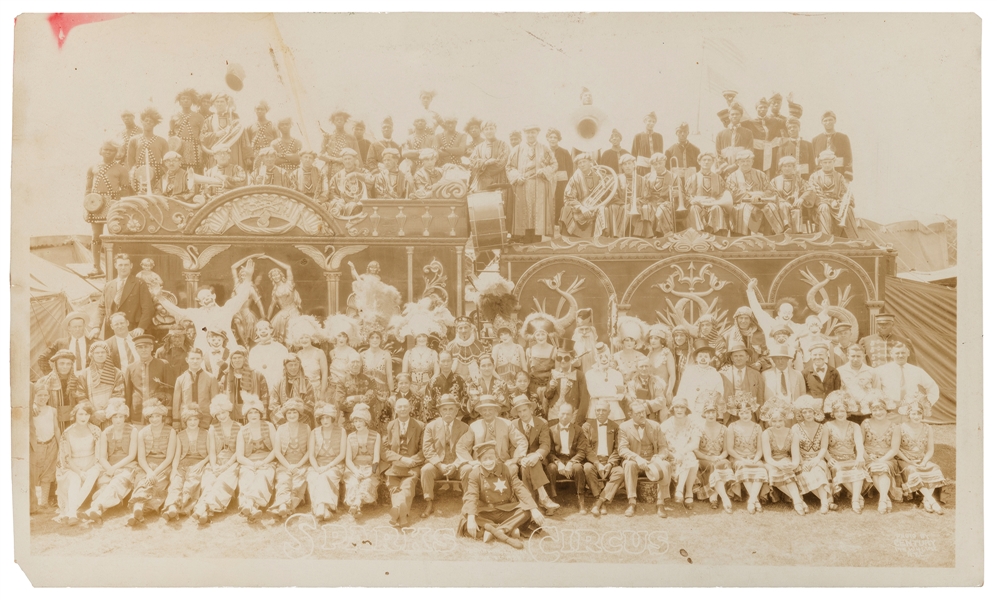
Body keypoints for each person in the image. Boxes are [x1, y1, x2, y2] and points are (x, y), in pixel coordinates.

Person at [457, 440, 544, 550]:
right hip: (485, 512)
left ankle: (495, 531)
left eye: (491, 458)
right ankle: (509, 529)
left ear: (496, 458)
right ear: (479, 461)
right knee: (466, 518)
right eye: (485, 459)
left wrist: (533, 509)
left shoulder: (507, 469)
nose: (488, 462)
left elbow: (520, 488)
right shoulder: (474, 474)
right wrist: (470, 518)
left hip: (506, 510)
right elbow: (471, 496)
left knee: (527, 511)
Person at [157, 274, 254, 354]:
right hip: (204, 353)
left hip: (227, 352)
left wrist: (248, 278)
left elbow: (241, 297)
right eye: (203, 298)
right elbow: (176, 310)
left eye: (208, 296)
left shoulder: (226, 310)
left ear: (214, 296)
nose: (206, 299)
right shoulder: (197, 314)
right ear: (200, 302)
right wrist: (160, 297)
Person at [614, 401, 671, 518]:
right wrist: (637, 458)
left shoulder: (655, 426)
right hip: (636, 462)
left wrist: (659, 457)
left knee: (666, 465)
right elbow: (622, 449)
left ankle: (660, 503)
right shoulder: (624, 427)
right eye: (638, 413)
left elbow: (664, 447)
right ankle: (632, 502)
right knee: (629, 464)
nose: (642, 415)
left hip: (653, 462)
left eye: (643, 411)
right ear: (630, 414)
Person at [83, 399, 137, 521]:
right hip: (108, 466)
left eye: (121, 417)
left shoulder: (132, 430)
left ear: (125, 417)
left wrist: (115, 469)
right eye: (115, 417)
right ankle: (97, 510)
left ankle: (96, 508)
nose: (118, 420)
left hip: (127, 465)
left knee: (116, 483)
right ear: (110, 418)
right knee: (104, 485)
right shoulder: (106, 432)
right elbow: (102, 457)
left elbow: (132, 455)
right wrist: (110, 469)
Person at [191, 394, 241, 524]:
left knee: (222, 481)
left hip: (233, 462)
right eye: (218, 414)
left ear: (228, 411)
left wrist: (226, 466)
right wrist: (214, 467)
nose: (222, 416)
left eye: (223, 413)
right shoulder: (213, 429)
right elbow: (212, 451)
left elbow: (239, 452)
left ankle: (205, 509)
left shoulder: (239, 427)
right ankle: (205, 509)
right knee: (209, 480)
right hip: (216, 462)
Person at [84, 141, 132, 275]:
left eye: (111, 150)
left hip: (114, 204)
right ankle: (96, 267)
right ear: (100, 150)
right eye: (105, 149)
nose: (107, 152)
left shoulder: (121, 169)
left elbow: (126, 191)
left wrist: (120, 206)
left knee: (114, 236)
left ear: (116, 153)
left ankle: (115, 269)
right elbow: (87, 189)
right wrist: (87, 206)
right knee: (95, 236)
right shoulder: (92, 167)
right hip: (95, 205)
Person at [128, 399, 177, 526]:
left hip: (164, 465)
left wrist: (155, 472)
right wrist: (149, 471)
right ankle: (138, 506)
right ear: (147, 417)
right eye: (151, 416)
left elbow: (169, 457)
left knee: (158, 484)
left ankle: (140, 510)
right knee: (143, 482)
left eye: (158, 416)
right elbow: (141, 458)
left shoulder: (171, 431)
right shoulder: (142, 432)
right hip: (146, 465)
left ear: (163, 417)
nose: (154, 419)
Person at [455, 395, 528, 480]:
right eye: (484, 410)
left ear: (496, 411)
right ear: (480, 412)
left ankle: (510, 493)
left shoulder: (506, 424)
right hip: (480, 463)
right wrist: (471, 462)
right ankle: (471, 493)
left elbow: (521, 441)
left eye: (490, 409)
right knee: (466, 469)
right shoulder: (474, 426)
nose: (487, 412)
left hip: (502, 462)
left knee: (513, 468)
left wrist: (514, 459)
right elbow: (461, 446)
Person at [420, 394, 470, 517]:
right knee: (426, 470)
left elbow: (466, 449)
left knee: (469, 470)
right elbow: (427, 449)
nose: (448, 412)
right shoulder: (431, 426)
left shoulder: (464, 427)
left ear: (457, 410)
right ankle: (429, 502)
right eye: (444, 409)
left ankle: (469, 503)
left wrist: (456, 464)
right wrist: (439, 465)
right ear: (440, 411)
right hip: (438, 466)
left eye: (451, 409)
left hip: (457, 465)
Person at [53, 402, 102, 525]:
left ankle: (71, 512)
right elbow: (66, 459)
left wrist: (88, 469)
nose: (83, 417)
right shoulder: (67, 433)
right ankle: (72, 513)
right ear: (75, 415)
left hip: (91, 464)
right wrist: (79, 472)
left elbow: (99, 454)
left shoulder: (96, 431)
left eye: (86, 414)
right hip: (72, 466)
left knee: (92, 474)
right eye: (80, 414)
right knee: (75, 479)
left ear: (90, 416)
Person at [506, 125, 557, 242]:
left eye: (533, 132)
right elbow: (509, 167)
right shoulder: (517, 149)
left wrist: (544, 170)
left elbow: (554, 165)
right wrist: (517, 176)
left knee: (537, 218)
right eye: (528, 133)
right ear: (524, 134)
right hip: (522, 186)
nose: (530, 135)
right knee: (523, 217)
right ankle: (523, 245)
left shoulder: (545, 149)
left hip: (539, 187)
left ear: (537, 133)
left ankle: (536, 245)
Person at [510, 394, 558, 514]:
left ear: (531, 409)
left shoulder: (541, 423)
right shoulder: (514, 424)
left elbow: (545, 444)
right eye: (519, 411)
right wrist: (520, 459)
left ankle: (532, 503)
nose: (522, 414)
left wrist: (536, 455)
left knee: (532, 463)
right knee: (526, 465)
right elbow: (511, 446)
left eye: (525, 410)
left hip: (539, 459)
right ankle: (543, 499)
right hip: (522, 459)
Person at [380, 397, 425, 527]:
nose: (403, 409)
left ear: (410, 408)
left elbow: (424, 450)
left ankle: (397, 511)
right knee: (393, 485)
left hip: (412, 464)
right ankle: (403, 516)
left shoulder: (420, 426)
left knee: (407, 485)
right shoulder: (389, 426)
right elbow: (384, 450)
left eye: (405, 406)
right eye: (400, 407)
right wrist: (400, 459)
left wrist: (411, 460)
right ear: (395, 409)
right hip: (395, 464)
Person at [896, 399, 947, 514]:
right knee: (914, 471)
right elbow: (896, 450)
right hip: (905, 461)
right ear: (908, 414)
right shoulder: (900, 427)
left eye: (919, 413)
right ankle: (932, 501)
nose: (916, 416)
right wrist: (909, 461)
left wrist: (924, 461)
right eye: (913, 413)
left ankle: (926, 499)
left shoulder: (927, 428)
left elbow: (930, 450)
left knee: (935, 468)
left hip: (921, 459)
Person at [162, 404, 210, 521]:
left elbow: (211, 454)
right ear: (185, 421)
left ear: (199, 420)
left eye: (195, 419)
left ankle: (181, 507)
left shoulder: (206, 433)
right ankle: (172, 506)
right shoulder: (180, 435)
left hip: (199, 463)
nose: (193, 422)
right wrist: (174, 470)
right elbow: (177, 455)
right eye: (190, 420)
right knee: (176, 482)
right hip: (183, 464)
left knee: (191, 483)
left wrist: (202, 463)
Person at [91, 253, 154, 340]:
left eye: (126, 265)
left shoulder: (139, 283)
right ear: (115, 265)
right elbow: (101, 308)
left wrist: (141, 327)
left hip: (133, 330)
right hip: (112, 331)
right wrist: (96, 326)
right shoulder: (108, 285)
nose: (123, 267)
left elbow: (148, 308)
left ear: (131, 266)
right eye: (120, 265)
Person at [235, 395, 277, 522]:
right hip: (249, 462)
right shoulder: (242, 431)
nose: (253, 415)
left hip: (267, 461)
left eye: (256, 412)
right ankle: (252, 507)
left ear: (260, 414)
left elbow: (276, 449)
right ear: (246, 415)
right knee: (246, 477)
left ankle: (249, 505)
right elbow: (240, 456)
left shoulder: (269, 426)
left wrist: (263, 462)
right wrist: (252, 465)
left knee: (262, 476)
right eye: (250, 412)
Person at [825, 395, 871, 513]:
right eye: (837, 411)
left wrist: (860, 456)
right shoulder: (827, 426)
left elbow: (859, 444)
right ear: (833, 413)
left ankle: (855, 499)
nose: (840, 414)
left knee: (858, 468)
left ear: (847, 412)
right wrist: (829, 458)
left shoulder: (854, 426)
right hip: (835, 459)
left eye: (842, 411)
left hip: (851, 457)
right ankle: (858, 497)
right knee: (838, 468)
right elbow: (823, 447)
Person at [761, 405, 808, 515]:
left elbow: (796, 458)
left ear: (785, 420)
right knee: (774, 471)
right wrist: (777, 464)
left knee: (787, 469)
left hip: (786, 460)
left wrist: (792, 465)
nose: (777, 424)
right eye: (774, 421)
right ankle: (798, 501)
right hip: (771, 462)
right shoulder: (766, 433)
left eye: (780, 421)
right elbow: (767, 457)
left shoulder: (792, 433)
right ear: (770, 421)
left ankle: (797, 501)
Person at [791, 394, 833, 514]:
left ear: (815, 412)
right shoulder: (795, 427)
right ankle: (828, 500)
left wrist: (816, 460)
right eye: (805, 412)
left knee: (818, 470)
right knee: (804, 472)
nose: (808, 415)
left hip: (818, 458)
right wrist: (802, 462)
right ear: (801, 414)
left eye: (810, 411)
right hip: (801, 459)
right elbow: (795, 448)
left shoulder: (822, 427)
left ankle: (824, 503)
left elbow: (824, 447)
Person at [306, 402, 347, 521]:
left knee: (325, 476)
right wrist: (317, 468)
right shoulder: (314, 432)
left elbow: (342, 454)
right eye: (322, 418)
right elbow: (311, 455)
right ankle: (324, 507)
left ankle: (320, 507)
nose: (325, 420)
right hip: (317, 465)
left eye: (327, 417)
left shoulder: (341, 431)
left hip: (334, 465)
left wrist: (327, 467)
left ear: (332, 418)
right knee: (313, 477)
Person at [861, 397, 903, 514]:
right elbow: (860, 444)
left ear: (886, 410)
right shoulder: (865, 423)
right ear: (871, 411)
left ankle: (882, 500)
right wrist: (867, 457)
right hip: (869, 457)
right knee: (875, 468)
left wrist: (881, 460)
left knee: (882, 468)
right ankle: (885, 499)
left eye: (881, 409)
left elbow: (894, 449)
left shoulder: (895, 426)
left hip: (887, 458)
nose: (878, 413)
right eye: (874, 410)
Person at [727, 149, 783, 236]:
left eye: (748, 161)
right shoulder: (732, 177)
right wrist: (750, 195)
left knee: (771, 207)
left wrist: (759, 195)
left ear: (752, 162)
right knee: (743, 209)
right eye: (743, 161)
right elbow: (732, 194)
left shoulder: (760, 174)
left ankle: (772, 235)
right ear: (738, 162)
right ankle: (742, 237)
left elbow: (770, 190)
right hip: (741, 203)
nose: (745, 163)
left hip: (761, 202)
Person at [270, 398, 310, 519]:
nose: (292, 415)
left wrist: (297, 466)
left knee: (298, 484)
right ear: (285, 415)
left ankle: (287, 507)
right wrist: (288, 466)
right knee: (283, 481)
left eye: (295, 412)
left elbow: (309, 451)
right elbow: (277, 451)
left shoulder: (306, 427)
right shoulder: (281, 429)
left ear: (299, 414)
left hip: (301, 464)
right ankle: (282, 505)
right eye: (289, 413)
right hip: (285, 464)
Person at [660, 397, 702, 510]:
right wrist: (673, 454)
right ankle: (687, 493)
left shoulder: (693, 423)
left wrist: (682, 452)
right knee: (691, 461)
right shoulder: (665, 425)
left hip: (685, 453)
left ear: (686, 409)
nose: (679, 410)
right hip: (670, 455)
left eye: (682, 407)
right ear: (672, 409)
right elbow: (661, 445)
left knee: (690, 458)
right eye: (676, 407)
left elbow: (695, 444)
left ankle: (682, 490)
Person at [726, 396, 767, 513]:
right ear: (738, 413)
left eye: (747, 412)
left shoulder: (758, 427)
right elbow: (730, 449)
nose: (745, 415)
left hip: (754, 457)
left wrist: (755, 459)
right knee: (743, 467)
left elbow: (760, 449)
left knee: (761, 469)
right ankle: (756, 501)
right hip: (737, 458)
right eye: (742, 413)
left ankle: (751, 500)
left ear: (751, 412)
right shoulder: (732, 426)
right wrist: (743, 459)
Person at [693, 399, 734, 512]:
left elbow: (726, 450)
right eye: (708, 412)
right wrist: (709, 458)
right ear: (704, 414)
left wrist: (719, 457)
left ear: (717, 413)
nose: (711, 415)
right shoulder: (698, 428)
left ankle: (714, 496)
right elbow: (695, 450)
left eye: (713, 412)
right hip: (703, 458)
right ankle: (724, 499)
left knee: (725, 463)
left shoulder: (724, 429)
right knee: (713, 465)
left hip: (718, 458)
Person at [546, 403, 587, 513]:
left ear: (572, 415)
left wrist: (571, 462)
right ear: (558, 413)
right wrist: (558, 462)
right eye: (563, 413)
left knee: (578, 468)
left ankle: (581, 500)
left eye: (568, 414)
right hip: (557, 459)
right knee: (551, 468)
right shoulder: (550, 430)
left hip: (572, 460)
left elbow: (582, 451)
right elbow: (549, 452)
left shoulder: (578, 430)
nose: (565, 417)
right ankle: (552, 501)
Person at [583, 400, 622, 516]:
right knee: (587, 468)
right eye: (598, 410)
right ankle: (600, 499)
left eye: (604, 410)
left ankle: (598, 502)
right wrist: (597, 463)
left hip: (609, 461)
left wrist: (610, 464)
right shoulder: (587, 426)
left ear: (609, 412)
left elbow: (617, 448)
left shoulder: (615, 427)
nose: (600, 413)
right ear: (594, 411)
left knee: (620, 472)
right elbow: (586, 448)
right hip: (594, 462)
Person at [876, 343, 938, 413]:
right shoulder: (881, 370)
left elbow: (933, 388)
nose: (900, 355)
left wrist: (925, 404)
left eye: (903, 353)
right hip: (889, 412)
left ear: (908, 353)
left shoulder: (917, 371)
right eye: (897, 353)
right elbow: (874, 391)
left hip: (911, 412)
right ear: (891, 354)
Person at [343, 403, 381, 519]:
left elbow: (376, 457)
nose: (357, 424)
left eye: (360, 420)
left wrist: (371, 471)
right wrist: (355, 471)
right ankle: (357, 506)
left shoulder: (376, 435)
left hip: (371, 468)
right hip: (354, 468)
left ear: (366, 421)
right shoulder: (350, 437)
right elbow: (348, 459)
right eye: (355, 421)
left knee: (367, 482)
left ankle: (356, 504)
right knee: (353, 484)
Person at [807, 150, 857, 238]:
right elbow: (816, 194)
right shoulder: (814, 177)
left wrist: (843, 202)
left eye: (830, 162)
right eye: (824, 162)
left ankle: (852, 239)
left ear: (834, 162)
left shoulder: (839, 176)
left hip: (837, 205)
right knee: (824, 207)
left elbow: (845, 192)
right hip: (820, 205)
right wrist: (830, 202)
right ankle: (825, 237)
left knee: (848, 209)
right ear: (820, 163)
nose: (827, 165)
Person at [78, 341, 125, 429]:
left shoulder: (117, 373)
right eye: (97, 352)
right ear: (91, 355)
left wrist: (106, 413)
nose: (100, 355)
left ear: (108, 354)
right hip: (91, 417)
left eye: (103, 352)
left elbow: (119, 395)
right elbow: (80, 396)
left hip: (111, 416)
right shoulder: (84, 374)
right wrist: (93, 413)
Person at [685, 151, 733, 235]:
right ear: (699, 162)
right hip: (698, 206)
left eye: (709, 160)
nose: (706, 162)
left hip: (713, 205)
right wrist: (694, 200)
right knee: (693, 209)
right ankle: (697, 235)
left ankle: (717, 237)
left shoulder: (719, 178)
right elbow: (688, 196)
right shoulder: (692, 178)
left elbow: (723, 195)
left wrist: (714, 201)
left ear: (713, 162)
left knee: (717, 208)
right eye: (704, 160)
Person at [30, 386, 61, 513]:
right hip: (37, 444)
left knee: (48, 473)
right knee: (34, 473)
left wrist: (60, 446)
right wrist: (32, 404)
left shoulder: (52, 410)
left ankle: (44, 502)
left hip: (51, 443)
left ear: (49, 396)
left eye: (45, 395)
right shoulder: (32, 409)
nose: (43, 398)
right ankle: (33, 503)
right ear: (34, 396)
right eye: (39, 395)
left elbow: (56, 428)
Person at [559, 153, 605, 239]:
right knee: (566, 209)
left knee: (604, 209)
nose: (582, 165)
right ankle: (568, 239)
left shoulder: (599, 175)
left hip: (595, 205)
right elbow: (569, 198)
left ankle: (600, 238)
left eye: (584, 162)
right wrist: (582, 208)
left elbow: (604, 193)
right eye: (579, 163)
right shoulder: (575, 178)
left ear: (590, 162)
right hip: (579, 206)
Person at [39, 350, 86, 431]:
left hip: (73, 421)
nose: (65, 366)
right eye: (62, 363)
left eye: (68, 364)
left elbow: (83, 400)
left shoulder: (77, 380)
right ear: (55, 365)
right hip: (53, 421)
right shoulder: (45, 381)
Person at [676, 343, 725, 420]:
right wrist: (680, 405)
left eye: (706, 357)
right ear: (696, 358)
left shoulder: (715, 374)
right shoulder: (689, 371)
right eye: (700, 356)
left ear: (710, 359)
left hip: (707, 409)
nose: (703, 359)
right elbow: (682, 390)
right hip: (690, 406)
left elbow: (719, 393)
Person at [126, 107, 170, 193]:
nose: (148, 122)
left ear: (155, 124)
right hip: (139, 173)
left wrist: (161, 173)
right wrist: (136, 171)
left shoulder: (162, 141)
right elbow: (130, 160)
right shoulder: (134, 140)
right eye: (146, 120)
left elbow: (166, 161)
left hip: (157, 172)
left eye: (151, 121)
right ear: (142, 122)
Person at [220, 347, 270, 423]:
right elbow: (222, 399)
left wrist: (264, 416)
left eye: (240, 357)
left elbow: (265, 396)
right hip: (232, 417)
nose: (237, 360)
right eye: (234, 358)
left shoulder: (258, 375)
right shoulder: (226, 378)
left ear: (245, 359)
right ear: (231, 360)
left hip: (253, 416)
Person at [172, 348, 219, 429]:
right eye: (192, 358)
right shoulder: (180, 379)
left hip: (206, 419)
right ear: (187, 360)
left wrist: (215, 418)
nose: (195, 361)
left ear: (202, 359)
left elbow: (215, 401)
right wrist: (176, 420)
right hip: (186, 420)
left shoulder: (211, 378)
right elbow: (176, 402)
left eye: (198, 358)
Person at [199, 94, 247, 171]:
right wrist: (215, 135)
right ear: (213, 104)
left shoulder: (235, 118)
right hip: (216, 153)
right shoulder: (209, 120)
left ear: (226, 103)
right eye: (217, 102)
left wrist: (247, 156)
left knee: (234, 173)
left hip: (233, 151)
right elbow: (202, 137)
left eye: (222, 101)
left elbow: (244, 137)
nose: (219, 104)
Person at [769, 156, 815, 234]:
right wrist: (783, 201)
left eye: (789, 166)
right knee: (784, 206)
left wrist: (802, 198)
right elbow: (771, 193)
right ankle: (785, 228)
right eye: (785, 166)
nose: (787, 168)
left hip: (795, 205)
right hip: (779, 206)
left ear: (793, 167)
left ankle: (797, 234)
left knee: (796, 211)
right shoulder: (775, 181)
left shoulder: (798, 180)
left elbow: (810, 189)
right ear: (781, 168)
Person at [38, 312, 94, 376]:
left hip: (88, 380)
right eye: (75, 327)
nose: (77, 329)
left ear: (84, 326)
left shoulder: (93, 343)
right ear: (69, 328)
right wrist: (51, 374)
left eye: (80, 326)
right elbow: (42, 358)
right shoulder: (60, 343)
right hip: (67, 380)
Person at [333, 358, 379, 433]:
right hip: (348, 418)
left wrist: (351, 398)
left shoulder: (369, 379)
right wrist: (360, 398)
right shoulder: (342, 381)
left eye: (357, 362)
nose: (355, 364)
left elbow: (372, 398)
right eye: (353, 362)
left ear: (361, 364)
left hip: (366, 417)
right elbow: (341, 402)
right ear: (348, 364)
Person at [584, 343, 626, 422]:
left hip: (615, 414)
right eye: (600, 357)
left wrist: (601, 396)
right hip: (595, 413)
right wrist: (613, 395)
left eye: (606, 356)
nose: (604, 359)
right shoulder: (589, 374)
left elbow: (620, 396)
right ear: (596, 358)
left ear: (610, 357)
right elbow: (593, 393)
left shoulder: (617, 374)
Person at [617, 154, 655, 238]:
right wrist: (624, 203)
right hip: (623, 205)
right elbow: (614, 196)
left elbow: (647, 196)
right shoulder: (618, 179)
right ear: (622, 167)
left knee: (644, 208)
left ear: (634, 165)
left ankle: (638, 234)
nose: (627, 166)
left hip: (638, 205)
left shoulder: (642, 179)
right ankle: (622, 235)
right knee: (632, 209)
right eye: (625, 164)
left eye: (629, 163)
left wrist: (638, 200)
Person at [270, 355, 315, 426]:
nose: (293, 368)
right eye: (290, 365)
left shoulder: (306, 383)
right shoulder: (278, 383)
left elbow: (310, 405)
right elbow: (273, 405)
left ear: (299, 366)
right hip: (282, 421)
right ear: (285, 367)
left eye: (296, 365)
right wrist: (285, 420)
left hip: (302, 420)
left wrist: (297, 419)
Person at [544, 342, 583, 422]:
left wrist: (579, 419)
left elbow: (583, 399)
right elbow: (547, 396)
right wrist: (551, 387)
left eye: (566, 358)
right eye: (559, 358)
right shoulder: (554, 373)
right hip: (555, 413)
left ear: (572, 358)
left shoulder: (579, 375)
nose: (562, 361)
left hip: (571, 415)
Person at [468, 120, 511, 193]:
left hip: (499, 179)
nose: (489, 131)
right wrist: (485, 162)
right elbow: (473, 162)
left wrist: (483, 167)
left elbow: (502, 162)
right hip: (482, 181)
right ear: (482, 131)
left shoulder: (503, 145)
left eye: (491, 128)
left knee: (500, 202)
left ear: (495, 129)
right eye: (486, 129)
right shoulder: (478, 147)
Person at [427, 350, 468, 422]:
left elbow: (465, 400)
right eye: (443, 361)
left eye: (448, 361)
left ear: (452, 362)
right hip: (438, 420)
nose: (446, 364)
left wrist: (457, 417)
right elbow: (428, 403)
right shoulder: (433, 382)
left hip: (457, 419)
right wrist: (439, 419)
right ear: (438, 362)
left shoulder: (459, 380)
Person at [811, 110, 853, 182]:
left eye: (830, 120)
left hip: (840, 174)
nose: (828, 122)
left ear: (835, 121)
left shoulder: (843, 138)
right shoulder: (816, 140)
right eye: (825, 120)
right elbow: (812, 161)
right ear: (822, 122)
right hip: (821, 177)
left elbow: (848, 158)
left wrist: (847, 178)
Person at [248, 320, 290, 391]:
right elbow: (252, 370)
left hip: (276, 385)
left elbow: (285, 369)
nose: (263, 331)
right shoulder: (254, 351)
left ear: (271, 330)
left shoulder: (281, 349)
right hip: (260, 387)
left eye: (265, 329)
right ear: (257, 332)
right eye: (260, 329)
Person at [644, 153, 679, 236]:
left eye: (660, 163)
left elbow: (683, 195)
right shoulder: (647, 177)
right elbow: (644, 194)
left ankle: (668, 233)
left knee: (662, 209)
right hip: (652, 202)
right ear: (652, 165)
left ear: (665, 162)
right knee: (647, 209)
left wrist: (678, 194)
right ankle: (650, 235)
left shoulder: (674, 176)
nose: (658, 166)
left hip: (667, 203)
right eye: (655, 164)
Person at [626, 356, 670, 422]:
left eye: (646, 366)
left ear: (650, 367)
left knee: (664, 409)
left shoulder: (656, 381)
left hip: (655, 415)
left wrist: (644, 402)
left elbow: (661, 401)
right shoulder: (632, 384)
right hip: (638, 415)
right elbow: (632, 402)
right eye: (641, 366)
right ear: (637, 368)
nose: (644, 369)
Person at [547, 128, 574, 229]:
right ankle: (548, 222)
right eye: (551, 137)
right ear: (547, 138)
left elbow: (570, 168)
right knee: (548, 200)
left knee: (560, 200)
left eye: (555, 137)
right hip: (548, 179)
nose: (553, 139)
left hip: (562, 179)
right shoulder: (544, 151)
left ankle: (559, 222)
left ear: (558, 139)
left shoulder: (564, 152)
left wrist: (569, 182)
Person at [714, 103, 754, 168]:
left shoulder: (748, 133)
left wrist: (735, 166)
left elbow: (749, 151)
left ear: (741, 115)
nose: (734, 116)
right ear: (729, 116)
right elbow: (718, 153)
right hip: (724, 169)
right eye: (732, 114)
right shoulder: (720, 134)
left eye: (737, 114)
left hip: (741, 167)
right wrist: (725, 167)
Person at [779, 117, 816, 186]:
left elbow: (812, 164)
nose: (792, 129)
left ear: (799, 128)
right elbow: (780, 166)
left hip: (806, 177)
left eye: (794, 127)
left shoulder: (808, 144)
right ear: (787, 130)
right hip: (788, 178)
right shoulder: (783, 146)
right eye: (789, 128)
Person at [447, 316, 485, 382]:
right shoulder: (451, 346)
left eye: (466, 327)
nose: (463, 331)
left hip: (474, 382)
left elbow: (484, 367)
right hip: (454, 382)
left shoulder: (479, 346)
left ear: (470, 329)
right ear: (457, 330)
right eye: (460, 328)